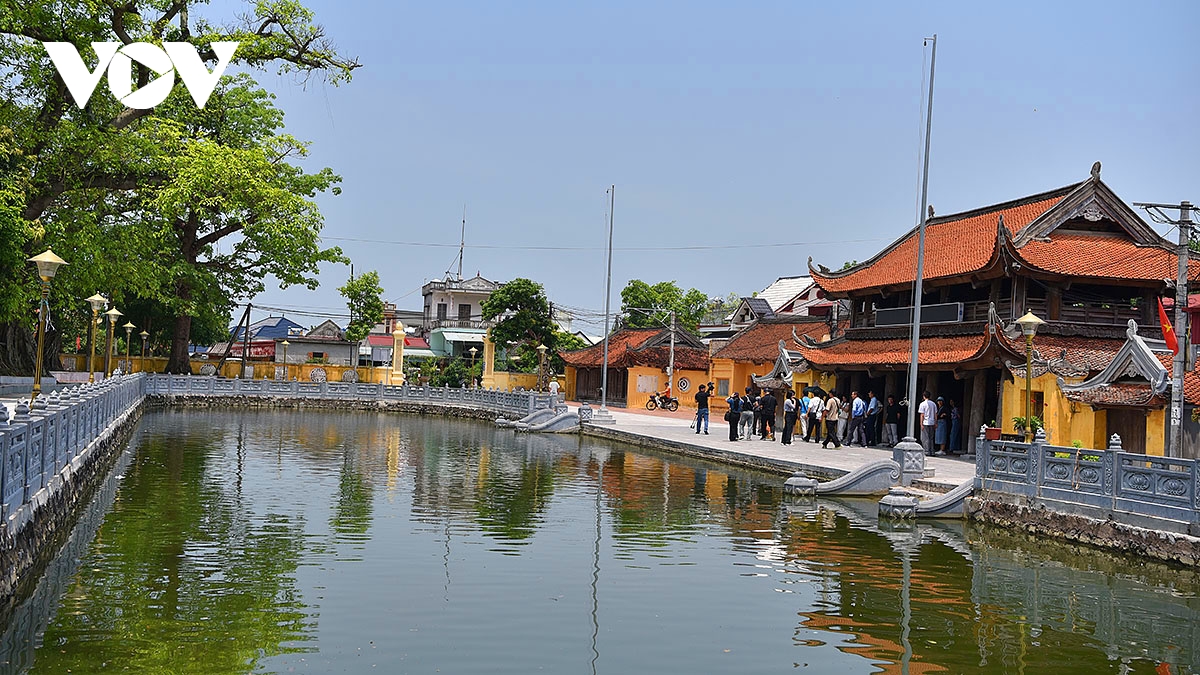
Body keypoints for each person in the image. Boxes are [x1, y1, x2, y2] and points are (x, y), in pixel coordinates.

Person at [918, 391, 937, 455]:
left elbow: (922, 415)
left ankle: (926, 450)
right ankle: (932, 451)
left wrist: (921, 423)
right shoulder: (933, 404)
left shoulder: (922, 404)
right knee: (931, 438)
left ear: (924, 396)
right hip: (932, 422)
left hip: (925, 422)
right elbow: (935, 414)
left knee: (925, 437)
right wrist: (935, 422)